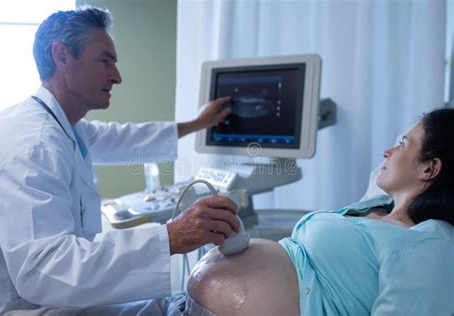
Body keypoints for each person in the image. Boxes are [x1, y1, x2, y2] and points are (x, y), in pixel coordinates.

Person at [0, 6, 240, 315]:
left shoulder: (62, 126)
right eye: (105, 61)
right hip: (25, 307)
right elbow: (44, 270)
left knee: (166, 305)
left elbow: (123, 138)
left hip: (50, 297)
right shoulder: (33, 145)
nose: (116, 76)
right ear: (62, 56)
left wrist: (197, 124)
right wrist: (171, 236)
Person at [186, 108, 454, 315]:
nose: (387, 152)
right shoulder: (375, 207)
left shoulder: (432, 242)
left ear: (429, 168)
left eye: (403, 144)